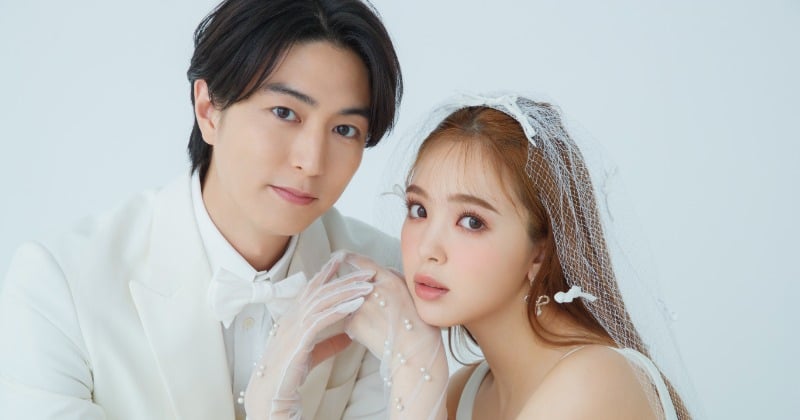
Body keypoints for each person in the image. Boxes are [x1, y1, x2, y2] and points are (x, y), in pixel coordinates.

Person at [0, 0, 403, 419]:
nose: (312, 161)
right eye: (284, 113)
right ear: (208, 110)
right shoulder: (61, 285)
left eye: (344, 129)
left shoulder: (384, 279)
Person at [320, 94, 696, 419]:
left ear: (541, 251)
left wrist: (414, 366)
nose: (427, 249)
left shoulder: (596, 379)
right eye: (419, 210)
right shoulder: (464, 391)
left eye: (471, 221)